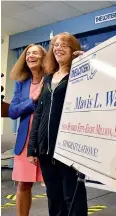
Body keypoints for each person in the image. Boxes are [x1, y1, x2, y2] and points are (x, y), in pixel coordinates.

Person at [27, 32, 87, 216]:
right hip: (46, 150)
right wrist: (32, 147)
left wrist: (86, 62)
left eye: (64, 45)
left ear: (73, 50)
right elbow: (39, 113)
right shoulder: (47, 78)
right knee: (54, 197)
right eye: (56, 45)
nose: (59, 48)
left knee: (73, 198)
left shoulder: (79, 75)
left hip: (68, 149)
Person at [8, 44, 46, 216]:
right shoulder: (21, 84)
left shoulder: (52, 78)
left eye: (35, 53)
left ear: (44, 57)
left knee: (54, 185)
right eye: (28, 53)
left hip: (46, 139)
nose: (31, 56)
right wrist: (32, 100)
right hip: (25, 141)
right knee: (23, 184)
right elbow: (13, 111)